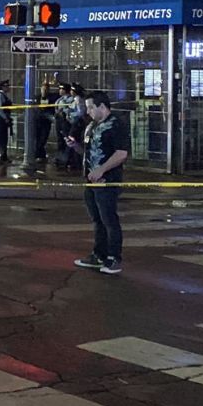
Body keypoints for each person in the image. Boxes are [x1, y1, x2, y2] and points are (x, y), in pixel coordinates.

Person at [65, 90, 129, 276]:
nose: (88, 111)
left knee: (109, 219)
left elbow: (121, 153)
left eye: (91, 107)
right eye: (87, 108)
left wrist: (102, 170)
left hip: (108, 181)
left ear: (102, 106)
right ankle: (98, 254)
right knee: (98, 219)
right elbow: (88, 152)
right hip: (91, 180)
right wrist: (75, 146)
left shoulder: (116, 125)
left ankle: (114, 258)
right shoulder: (92, 126)